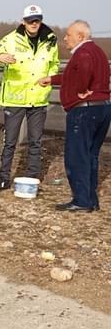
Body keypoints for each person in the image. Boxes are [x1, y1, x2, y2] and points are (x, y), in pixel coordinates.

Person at [0, 5, 60, 191]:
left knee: (35, 142)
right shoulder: (10, 39)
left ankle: (32, 180)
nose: (34, 24)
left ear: (41, 20)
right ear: (23, 21)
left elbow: (54, 64)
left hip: (38, 97)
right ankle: (3, 178)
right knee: (10, 142)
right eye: (30, 20)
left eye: (37, 20)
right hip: (14, 98)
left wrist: (49, 78)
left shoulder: (50, 40)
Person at [37, 20, 110, 212]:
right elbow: (74, 75)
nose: (65, 38)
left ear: (81, 36)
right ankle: (90, 199)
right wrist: (52, 79)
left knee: (76, 156)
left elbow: (83, 71)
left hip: (84, 111)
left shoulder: (83, 53)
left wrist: (81, 89)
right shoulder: (98, 51)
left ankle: (81, 201)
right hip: (102, 108)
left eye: (69, 35)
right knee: (91, 155)